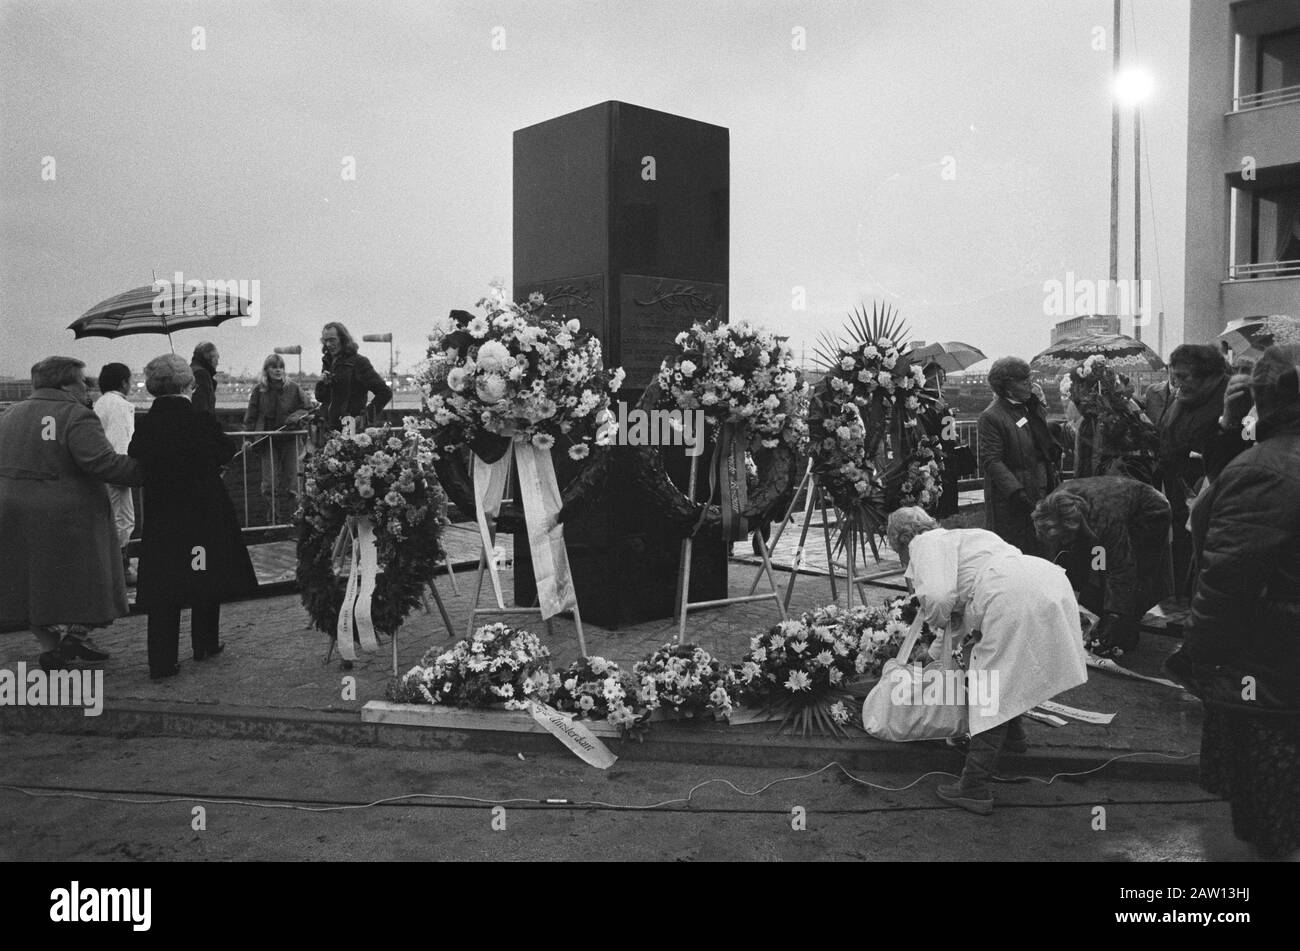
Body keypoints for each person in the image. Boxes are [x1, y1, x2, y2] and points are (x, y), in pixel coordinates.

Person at [1167, 344, 1300, 861]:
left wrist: (1198, 655)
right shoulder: (1267, 460)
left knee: (1273, 815)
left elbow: (1227, 582)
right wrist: (1228, 424)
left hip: (1270, 662)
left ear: (1262, 399)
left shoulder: (1265, 469)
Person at [887, 507, 1088, 815]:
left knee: (989, 688)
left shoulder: (923, 544)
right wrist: (934, 649)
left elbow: (941, 601)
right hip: (1044, 580)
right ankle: (1013, 740)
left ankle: (974, 787)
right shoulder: (967, 537)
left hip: (1009, 596)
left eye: (897, 549)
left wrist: (932, 623)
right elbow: (957, 616)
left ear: (903, 538)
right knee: (1009, 669)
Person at [0, 356, 142, 671]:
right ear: (65, 383)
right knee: (92, 582)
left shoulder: (10, 414)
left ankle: (53, 647)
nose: (87, 386)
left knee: (33, 587)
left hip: (14, 512)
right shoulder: (75, 415)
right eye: (82, 381)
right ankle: (75, 638)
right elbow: (103, 463)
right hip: (68, 516)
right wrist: (154, 469)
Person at [129, 354, 257, 680]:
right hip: (203, 514)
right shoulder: (200, 421)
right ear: (189, 385)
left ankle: (161, 660)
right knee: (204, 575)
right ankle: (205, 642)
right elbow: (225, 450)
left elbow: (136, 456)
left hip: (163, 518)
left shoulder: (146, 425)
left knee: (164, 587)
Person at [1033, 476, 1173, 657]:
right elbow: (1088, 559)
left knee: (1135, 572)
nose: (1063, 543)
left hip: (1151, 512)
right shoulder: (1050, 508)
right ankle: (1099, 616)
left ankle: (1124, 628)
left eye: (1064, 537)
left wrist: (1114, 615)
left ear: (1072, 525)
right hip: (1112, 505)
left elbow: (1121, 568)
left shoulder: (1104, 519)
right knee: (1097, 565)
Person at [1146, 344, 1239, 595]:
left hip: (1216, 495)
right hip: (1181, 492)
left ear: (1210, 375)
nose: (1176, 384)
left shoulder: (1234, 397)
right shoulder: (1187, 397)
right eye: (1174, 377)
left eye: (1183, 377)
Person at [977, 356, 1060, 556]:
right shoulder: (991, 417)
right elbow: (992, 460)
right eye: (1024, 380)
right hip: (1013, 503)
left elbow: (1038, 444)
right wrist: (1017, 493)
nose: (1030, 384)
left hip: (1040, 492)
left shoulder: (1029, 409)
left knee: (1044, 552)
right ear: (1007, 386)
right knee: (1017, 555)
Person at [243, 354, 311, 523]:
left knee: (294, 481)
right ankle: (273, 520)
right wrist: (248, 438)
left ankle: (294, 520)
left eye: (281, 366)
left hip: (290, 439)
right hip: (268, 440)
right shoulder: (259, 390)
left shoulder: (294, 388)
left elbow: (308, 408)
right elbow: (251, 416)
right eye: (274, 367)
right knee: (269, 483)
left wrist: (296, 416)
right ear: (267, 370)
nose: (278, 370)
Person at [94, 362, 137, 584]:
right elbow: (121, 442)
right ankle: (121, 569)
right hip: (116, 470)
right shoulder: (121, 406)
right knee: (124, 520)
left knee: (109, 519)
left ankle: (111, 567)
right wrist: (125, 471)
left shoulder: (100, 404)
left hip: (100, 469)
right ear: (123, 382)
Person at [315, 322, 391, 432]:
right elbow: (321, 398)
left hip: (350, 427)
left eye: (332, 340)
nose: (328, 344)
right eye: (325, 340)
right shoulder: (328, 362)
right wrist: (322, 384)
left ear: (343, 339)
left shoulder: (359, 363)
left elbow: (385, 392)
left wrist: (365, 417)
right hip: (328, 428)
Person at [189, 341, 220, 417]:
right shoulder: (201, 374)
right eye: (217, 358)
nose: (217, 363)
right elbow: (203, 406)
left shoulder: (190, 370)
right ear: (210, 358)